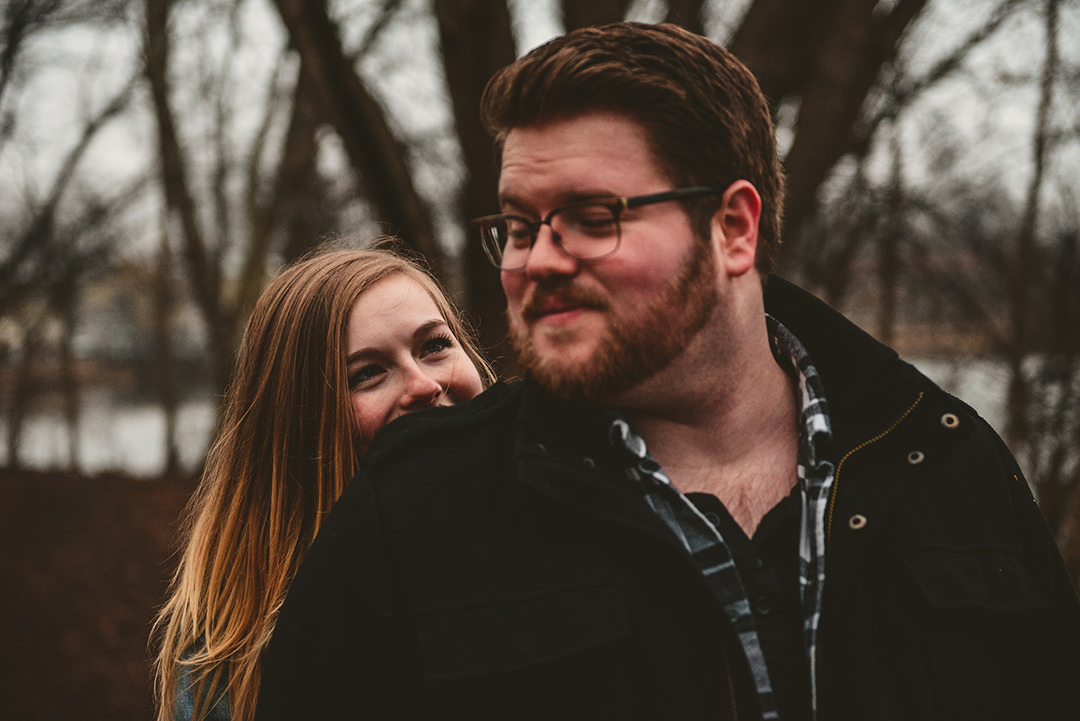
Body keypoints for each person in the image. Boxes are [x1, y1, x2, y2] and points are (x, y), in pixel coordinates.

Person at [255, 23, 1080, 721]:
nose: (535, 260)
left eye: (589, 217)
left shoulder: (951, 468)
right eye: (515, 224)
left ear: (732, 228)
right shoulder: (411, 515)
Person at [152, 244, 493, 721]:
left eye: (434, 345)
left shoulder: (564, 527)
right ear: (300, 426)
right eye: (369, 373)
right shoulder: (235, 660)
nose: (423, 385)